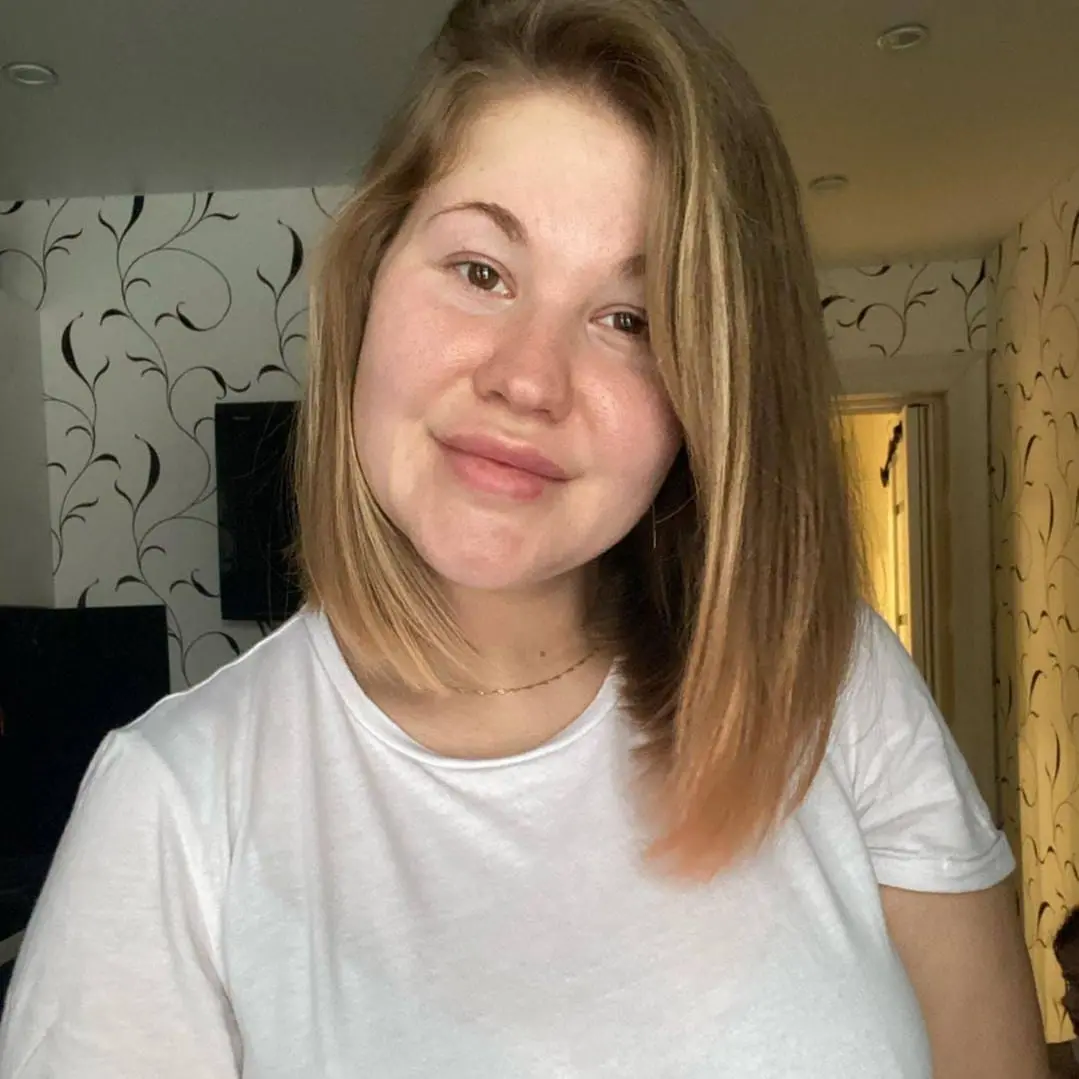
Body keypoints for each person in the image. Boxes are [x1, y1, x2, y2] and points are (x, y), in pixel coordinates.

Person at [0, 0, 1051, 1075]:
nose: (528, 379)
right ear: (367, 278)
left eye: (630, 318)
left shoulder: (825, 674)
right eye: (481, 270)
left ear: (709, 391)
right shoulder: (173, 808)